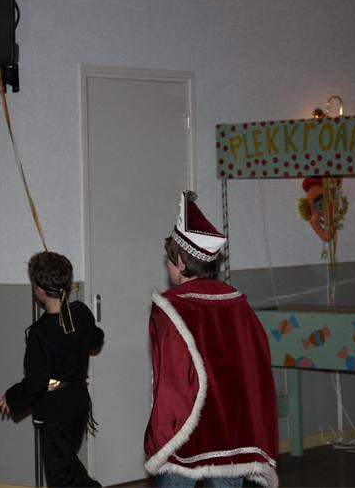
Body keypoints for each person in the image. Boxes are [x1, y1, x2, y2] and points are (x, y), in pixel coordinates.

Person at [144, 191, 278, 488]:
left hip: (185, 434)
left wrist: (161, 433)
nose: (168, 267)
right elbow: (255, 364)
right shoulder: (237, 302)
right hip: (231, 430)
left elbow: (171, 380)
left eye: (169, 260)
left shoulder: (170, 306)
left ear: (180, 262)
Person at [0, 252, 104, 487]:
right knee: (68, 464)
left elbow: (36, 383)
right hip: (78, 405)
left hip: (55, 413)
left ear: (39, 290)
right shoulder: (80, 313)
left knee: (60, 478)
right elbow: (96, 339)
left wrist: (12, 397)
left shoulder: (40, 333)